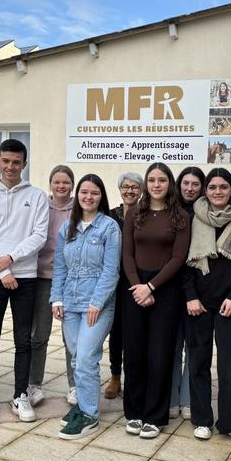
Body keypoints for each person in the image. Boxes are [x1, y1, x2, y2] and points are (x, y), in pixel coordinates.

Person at [0, 139, 49, 424]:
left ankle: (20, 395)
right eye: (6, 161)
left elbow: (39, 236)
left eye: (17, 162)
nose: (11, 166)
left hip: (25, 278)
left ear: (24, 164)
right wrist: (3, 271)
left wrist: (11, 259)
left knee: (23, 340)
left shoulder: (37, 196)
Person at [184, 168, 231, 446]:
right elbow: (184, 262)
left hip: (230, 305)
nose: (217, 192)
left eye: (223, 187)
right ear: (206, 190)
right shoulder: (193, 218)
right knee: (198, 363)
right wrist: (190, 295)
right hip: (198, 305)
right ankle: (202, 420)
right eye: (212, 187)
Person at [122, 162, 190, 439]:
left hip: (165, 289)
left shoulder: (180, 216)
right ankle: (135, 412)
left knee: (160, 354)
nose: (156, 184)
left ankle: (155, 416)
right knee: (135, 353)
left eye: (162, 180)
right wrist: (138, 286)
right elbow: (127, 254)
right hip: (134, 287)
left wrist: (151, 286)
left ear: (169, 183)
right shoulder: (134, 214)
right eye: (151, 180)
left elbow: (178, 258)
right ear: (146, 184)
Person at [52, 174, 121, 439]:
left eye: (94, 193)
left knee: (85, 359)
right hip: (70, 303)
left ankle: (90, 415)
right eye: (84, 192)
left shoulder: (109, 227)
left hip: (97, 306)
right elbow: (59, 266)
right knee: (75, 356)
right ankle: (82, 405)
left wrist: (97, 302)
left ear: (101, 196)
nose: (88, 197)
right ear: (77, 195)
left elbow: (110, 270)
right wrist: (56, 298)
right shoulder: (67, 227)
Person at [27, 165, 77, 408]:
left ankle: (75, 385)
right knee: (40, 335)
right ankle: (34, 384)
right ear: (50, 184)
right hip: (42, 277)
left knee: (72, 338)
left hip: (71, 280)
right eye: (57, 182)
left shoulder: (79, 207)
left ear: (72, 184)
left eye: (66, 182)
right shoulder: (40, 206)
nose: (61, 186)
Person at [169, 167, 205, 419]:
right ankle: (171, 398)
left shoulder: (205, 214)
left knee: (194, 347)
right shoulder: (170, 211)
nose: (190, 188)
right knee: (172, 346)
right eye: (186, 183)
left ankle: (188, 399)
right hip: (171, 288)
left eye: (195, 184)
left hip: (197, 291)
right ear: (179, 185)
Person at [104, 171, 143, 399]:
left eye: (134, 187)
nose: (129, 191)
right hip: (114, 282)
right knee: (116, 330)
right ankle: (115, 376)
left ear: (141, 191)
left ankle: (134, 376)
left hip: (138, 281)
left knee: (134, 331)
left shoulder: (146, 215)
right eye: (126, 187)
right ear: (120, 190)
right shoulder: (110, 217)